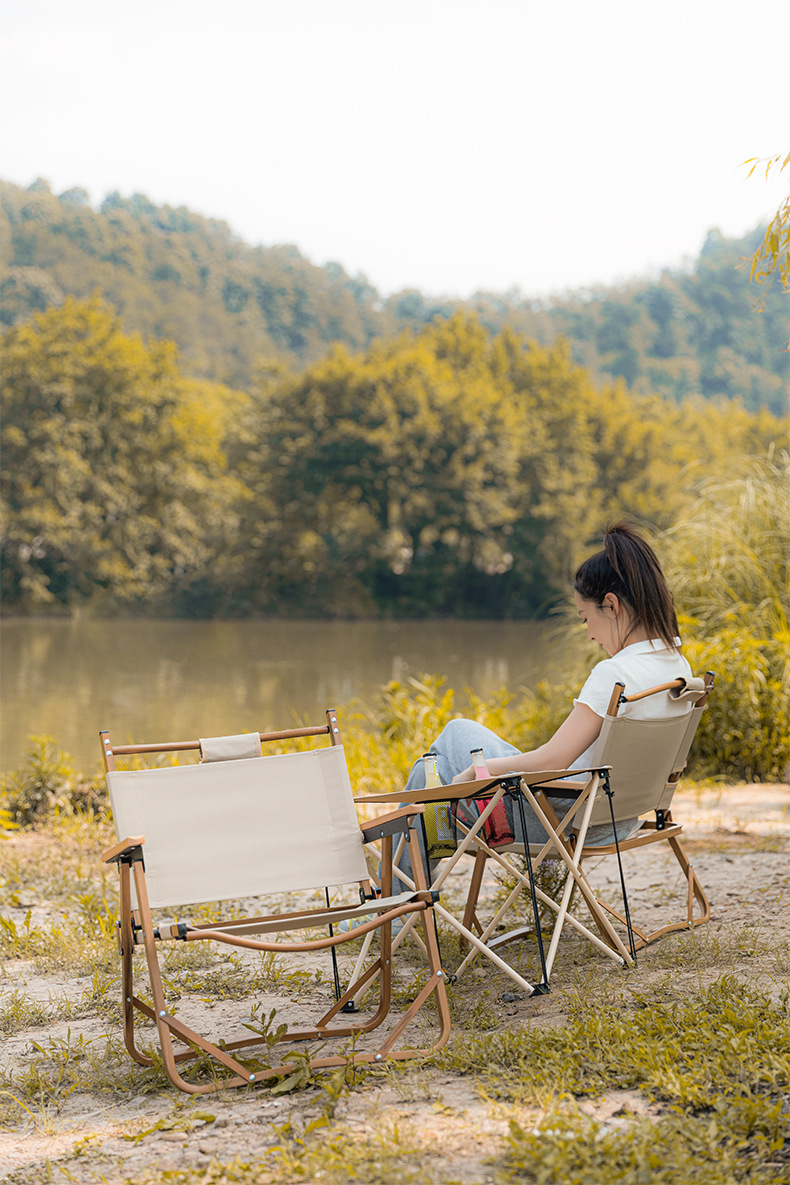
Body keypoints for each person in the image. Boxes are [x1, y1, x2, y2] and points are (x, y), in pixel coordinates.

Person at [393, 522, 694, 894]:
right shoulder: (677, 666)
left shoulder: (615, 674)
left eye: (586, 619)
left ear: (611, 605)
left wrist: (478, 771)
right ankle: (402, 891)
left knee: (446, 748)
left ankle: (395, 899)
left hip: (560, 821)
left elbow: (552, 761)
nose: (589, 635)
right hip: (621, 817)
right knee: (429, 776)